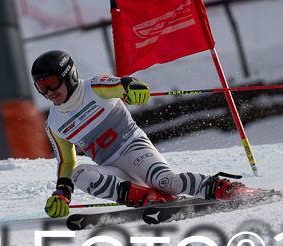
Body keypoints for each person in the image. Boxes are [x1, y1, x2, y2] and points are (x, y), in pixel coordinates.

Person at [32, 50, 249, 218]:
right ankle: (149, 198)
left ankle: (229, 189)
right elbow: (66, 163)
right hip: (112, 167)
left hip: (134, 149)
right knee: (80, 174)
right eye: (41, 87)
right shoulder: (54, 124)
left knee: (167, 182)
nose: (49, 92)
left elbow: (122, 84)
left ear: (69, 76)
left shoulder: (95, 88)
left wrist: (134, 88)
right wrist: (62, 193)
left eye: (51, 83)